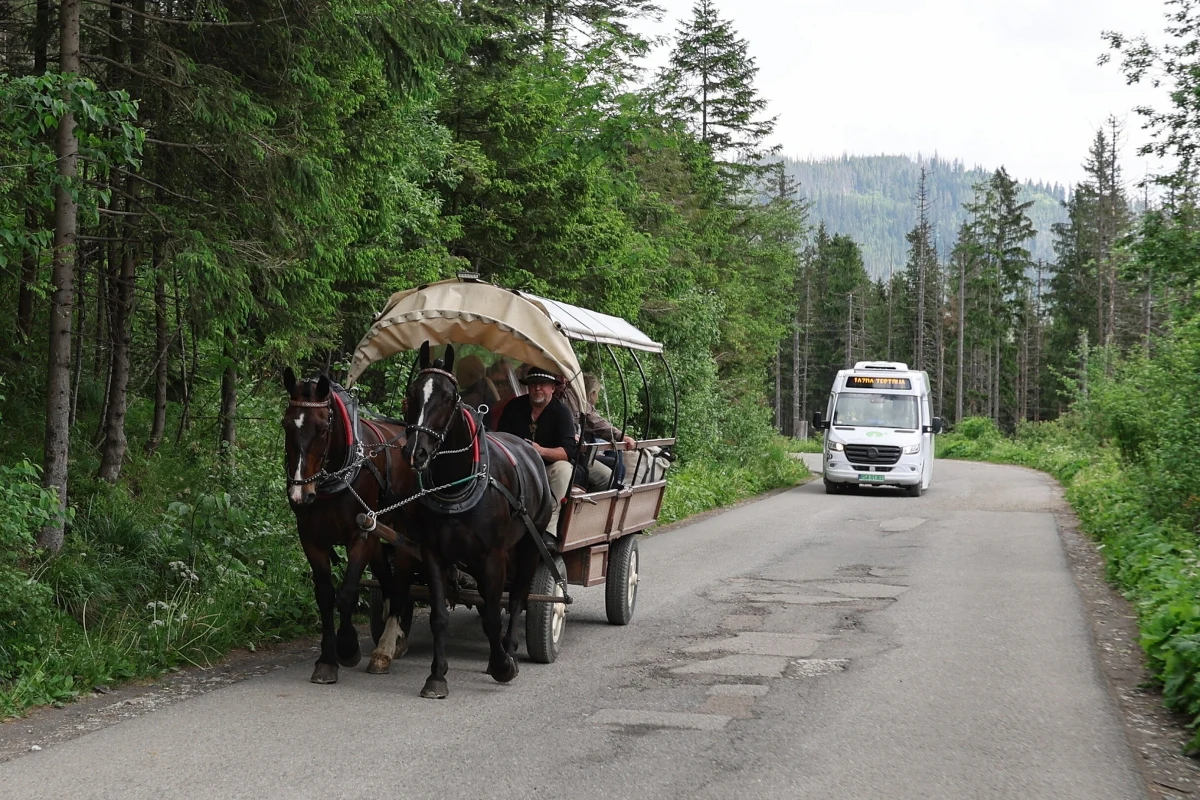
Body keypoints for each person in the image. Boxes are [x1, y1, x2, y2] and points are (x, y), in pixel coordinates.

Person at [496, 366, 578, 536]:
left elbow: (569, 451)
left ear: (553, 388)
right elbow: (499, 437)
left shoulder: (561, 412)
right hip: (515, 470)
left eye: (543, 384)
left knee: (564, 469)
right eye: (533, 384)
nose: (537, 388)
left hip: (546, 471)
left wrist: (540, 451)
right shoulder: (514, 407)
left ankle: (549, 530)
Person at [580, 374, 636, 490]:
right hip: (583, 452)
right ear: (592, 393)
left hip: (589, 448)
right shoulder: (583, 405)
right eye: (597, 393)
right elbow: (597, 424)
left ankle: (616, 486)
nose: (598, 397)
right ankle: (612, 491)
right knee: (615, 463)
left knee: (616, 454)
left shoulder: (585, 405)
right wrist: (620, 436)